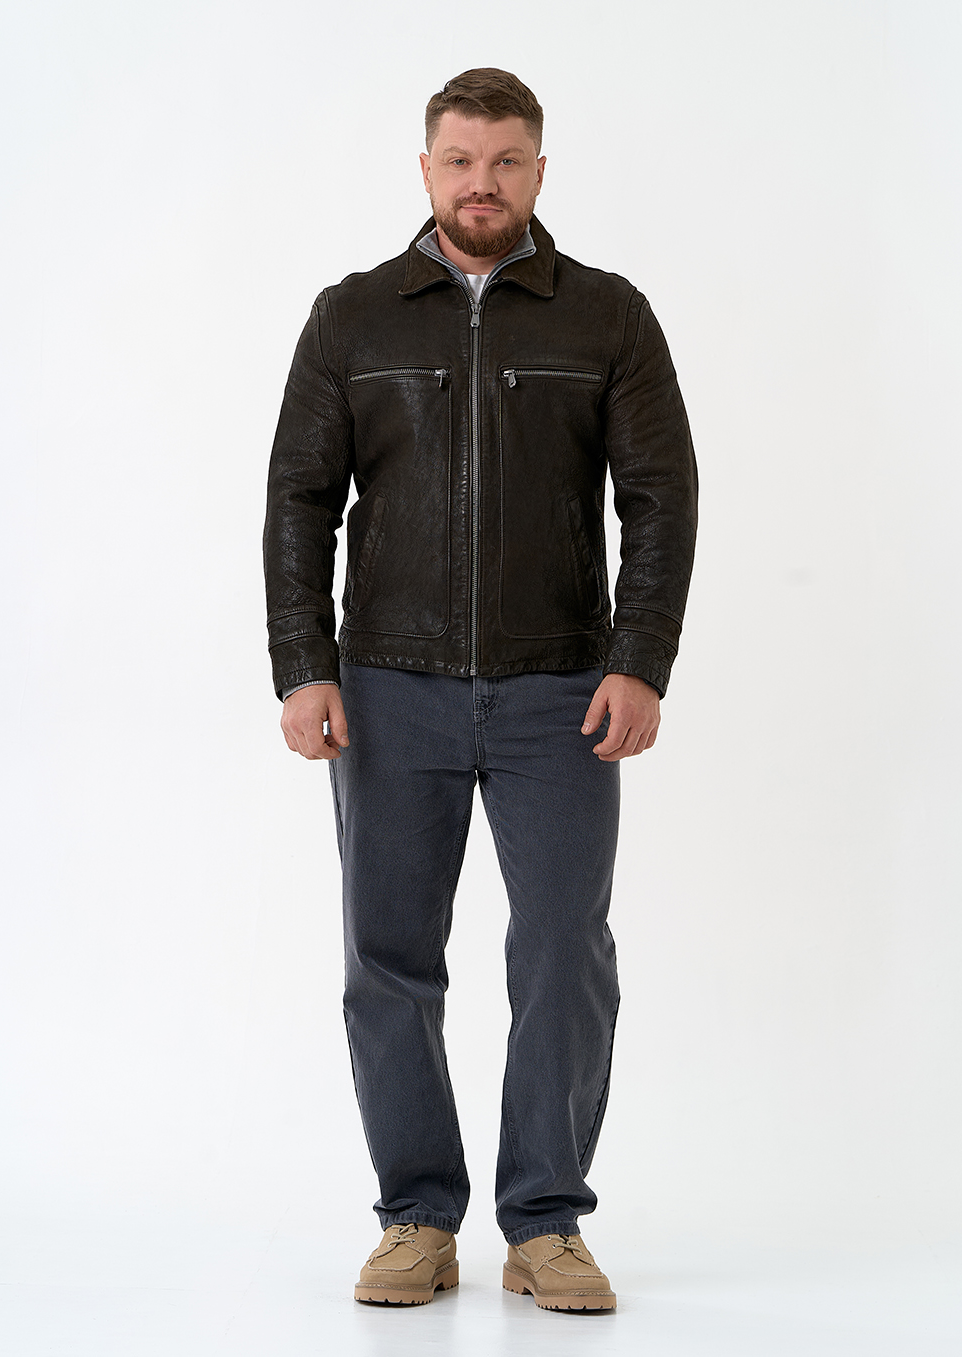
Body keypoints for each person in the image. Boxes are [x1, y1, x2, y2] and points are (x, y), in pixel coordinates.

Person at [263, 67, 698, 1312]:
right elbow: (298, 499)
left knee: (564, 950)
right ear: (425, 169)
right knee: (387, 957)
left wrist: (638, 658)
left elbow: (660, 497)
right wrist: (304, 665)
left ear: (538, 171)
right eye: (459, 160)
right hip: (384, 684)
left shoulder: (606, 316)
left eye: (505, 161)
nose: (481, 184)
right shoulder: (351, 318)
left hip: (558, 687)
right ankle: (414, 1216)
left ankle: (544, 1223)